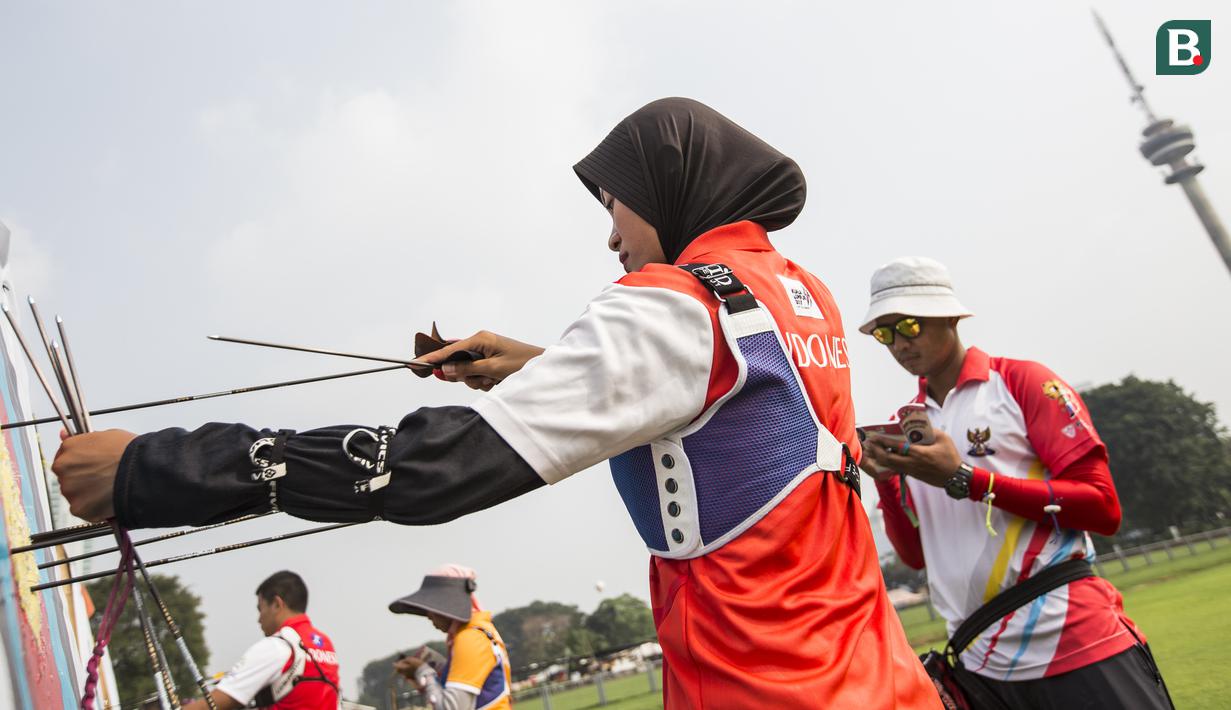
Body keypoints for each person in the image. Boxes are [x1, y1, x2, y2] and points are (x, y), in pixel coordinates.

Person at [51, 98, 939, 708]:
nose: (611, 232)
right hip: (880, 684)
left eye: (616, 204)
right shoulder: (793, 292)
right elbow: (743, 423)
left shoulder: (673, 301)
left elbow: (426, 470)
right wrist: (535, 367)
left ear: (670, 184)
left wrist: (148, 470)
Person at [859, 256, 1173, 709]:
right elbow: (914, 555)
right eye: (885, 334)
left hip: (1071, 635)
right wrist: (888, 482)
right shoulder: (908, 425)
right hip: (981, 663)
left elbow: (1103, 508)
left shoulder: (1021, 382)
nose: (898, 344)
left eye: (908, 325)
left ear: (949, 315)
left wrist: (966, 479)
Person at [183, 571, 340, 710]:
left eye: (260, 608)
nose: (259, 619)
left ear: (277, 604)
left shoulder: (277, 646)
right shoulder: (325, 644)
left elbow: (214, 703)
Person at [389, 564, 511, 710]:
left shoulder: (470, 639)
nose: (428, 615)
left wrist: (422, 671)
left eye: (432, 607)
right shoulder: (478, 632)